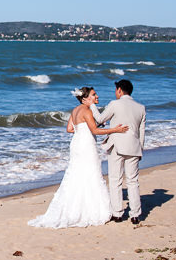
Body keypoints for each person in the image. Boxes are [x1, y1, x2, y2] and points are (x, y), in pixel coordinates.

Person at [29, 87, 128, 228]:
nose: (97, 96)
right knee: (91, 173)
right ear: (85, 99)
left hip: (76, 144)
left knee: (77, 173)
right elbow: (95, 130)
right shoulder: (87, 111)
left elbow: (69, 129)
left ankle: (75, 208)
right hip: (86, 144)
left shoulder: (75, 110)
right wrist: (115, 130)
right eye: (94, 95)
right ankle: (93, 210)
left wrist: (91, 126)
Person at [99, 79, 147, 224]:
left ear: (119, 90)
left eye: (116, 90)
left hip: (117, 147)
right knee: (133, 181)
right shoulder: (141, 107)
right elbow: (142, 133)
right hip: (134, 146)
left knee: (116, 180)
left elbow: (101, 119)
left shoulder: (115, 104)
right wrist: (140, 150)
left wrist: (91, 107)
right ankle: (135, 214)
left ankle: (118, 213)